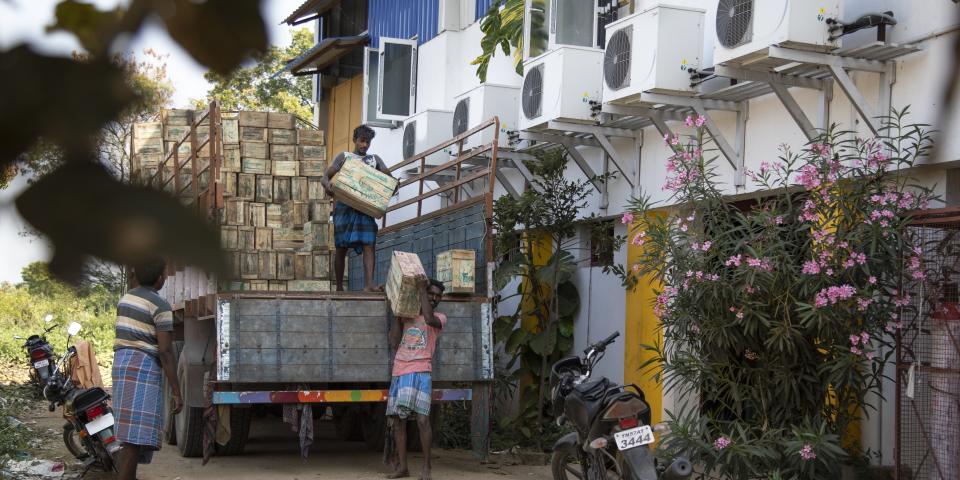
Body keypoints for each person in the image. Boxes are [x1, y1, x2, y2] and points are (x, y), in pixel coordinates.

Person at [112, 257, 183, 480]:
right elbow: (165, 351)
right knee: (134, 440)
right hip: (141, 367)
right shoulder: (160, 305)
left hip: (121, 364)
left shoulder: (125, 299)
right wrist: (177, 391)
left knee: (131, 437)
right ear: (160, 279)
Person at [320, 125, 397, 292]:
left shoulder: (375, 159)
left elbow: (390, 181)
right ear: (354, 140)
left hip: (365, 209)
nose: (365, 145)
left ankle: (369, 284)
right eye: (362, 141)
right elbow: (325, 177)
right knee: (341, 247)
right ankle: (339, 287)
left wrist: (394, 186)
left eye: (368, 142)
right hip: (344, 207)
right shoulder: (344, 157)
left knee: (369, 243)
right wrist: (328, 186)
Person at [386, 277, 446, 480]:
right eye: (432, 294)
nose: (435, 298)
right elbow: (394, 343)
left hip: (422, 371)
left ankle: (427, 469)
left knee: (422, 420)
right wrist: (398, 313)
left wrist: (422, 290)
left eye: (438, 296)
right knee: (398, 421)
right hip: (401, 370)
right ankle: (403, 467)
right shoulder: (407, 316)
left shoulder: (439, 317)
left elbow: (429, 319)